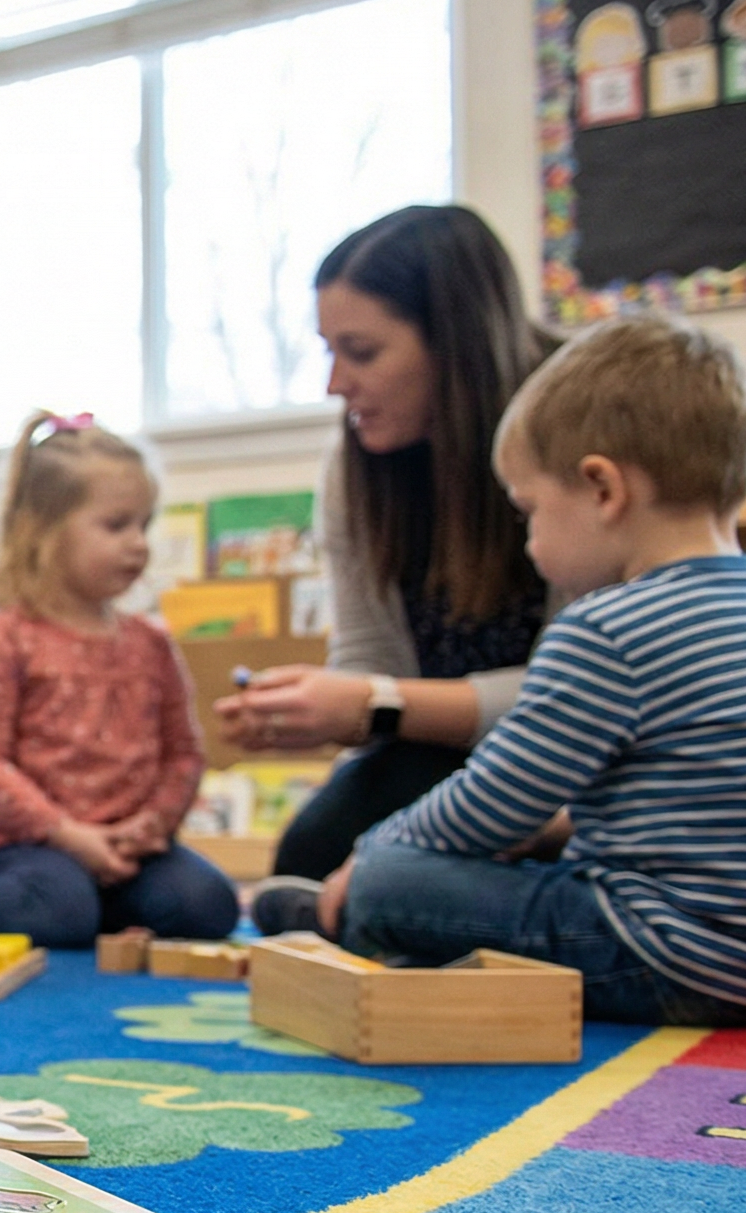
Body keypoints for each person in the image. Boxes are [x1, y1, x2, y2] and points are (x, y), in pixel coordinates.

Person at [296, 314, 746, 1025]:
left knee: (394, 880)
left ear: (603, 489)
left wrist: (368, 859)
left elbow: (486, 805)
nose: (532, 545)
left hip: (670, 956)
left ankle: (353, 928)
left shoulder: (608, 628)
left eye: (530, 513)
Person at [212, 206, 562, 920]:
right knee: (315, 857)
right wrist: (323, 714)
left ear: (456, 344)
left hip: (577, 762)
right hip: (444, 758)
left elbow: (583, 696)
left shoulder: (571, 434)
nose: (336, 383)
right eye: (328, 351)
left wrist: (377, 704)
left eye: (362, 352)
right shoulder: (358, 472)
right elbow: (369, 661)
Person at [0, 412, 238, 950]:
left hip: (132, 847)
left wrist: (153, 825)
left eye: (145, 524)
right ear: (44, 532)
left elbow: (183, 753)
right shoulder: (8, 639)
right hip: (35, 845)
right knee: (62, 909)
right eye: (117, 525)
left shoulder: (151, 644)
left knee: (208, 905)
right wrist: (68, 834)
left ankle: (98, 906)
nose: (139, 543)